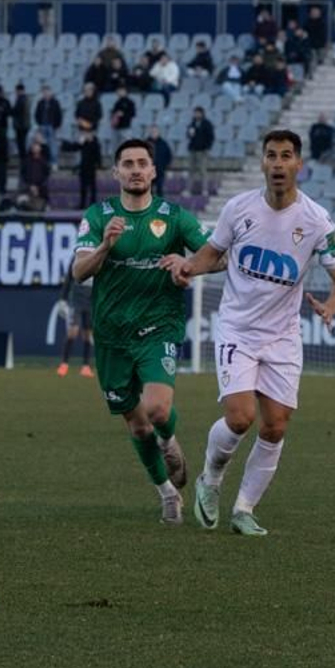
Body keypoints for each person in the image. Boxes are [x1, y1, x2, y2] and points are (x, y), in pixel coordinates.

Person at [174, 130, 335, 536]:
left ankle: (244, 509)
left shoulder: (316, 220)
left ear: (298, 164)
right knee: (240, 418)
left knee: (275, 426)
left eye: (286, 156)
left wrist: (331, 306)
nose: (277, 163)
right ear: (262, 163)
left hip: (283, 336)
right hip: (237, 328)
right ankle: (210, 480)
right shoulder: (239, 208)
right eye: (271, 155)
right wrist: (187, 267)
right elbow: (212, 254)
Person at [74, 138, 210, 525]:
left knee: (157, 409)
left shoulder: (174, 217)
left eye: (142, 163)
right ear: (116, 172)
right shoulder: (98, 215)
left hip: (158, 326)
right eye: (128, 164)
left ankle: (168, 440)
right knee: (136, 424)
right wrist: (105, 246)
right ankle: (167, 493)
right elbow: (79, 272)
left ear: (153, 171)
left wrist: (187, 264)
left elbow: (216, 255)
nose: (135, 170)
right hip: (111, 334)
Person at [56, 269, 94, 378]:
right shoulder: (76, 259)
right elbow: (68, 279)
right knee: (73, 331)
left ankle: (86, 366)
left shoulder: (97, 261)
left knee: (87, 335)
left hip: (90, 301)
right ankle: (64, 364)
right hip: (77, 300)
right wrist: (63, 299)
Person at [186, 107, 215, 194]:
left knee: (203, 171)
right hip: (193, 150)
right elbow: (188, 135)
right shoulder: (192, 124)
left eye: (198, 113)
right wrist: (189, 134)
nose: (197, 115)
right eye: (195, 113)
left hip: (202, 151)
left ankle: (204, 189)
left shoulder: (207, 124)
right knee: (191, 171)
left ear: (202, 114)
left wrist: (207, 147)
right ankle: (188, 189)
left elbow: (211, 137)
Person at [73, 128, 102, 209]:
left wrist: (99, 165)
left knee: (92, 187)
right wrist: (80, 143)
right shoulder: (83, 143)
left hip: (91, 167)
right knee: (83, 187)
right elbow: (75, 148)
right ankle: (82, 204)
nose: (86, 135)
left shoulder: (95, 143)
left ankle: (93, 203)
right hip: (83, 167)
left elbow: (98, 155)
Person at [34, 86, 63, 157]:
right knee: (42, 142)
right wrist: (39, 123)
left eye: (47, 92)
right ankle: (44, 158)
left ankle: (53, 160)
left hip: (52, 126)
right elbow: (37, 114)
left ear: (50, 93)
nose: (45, 94)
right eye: (44, 93)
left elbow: (59, 114)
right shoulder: (40, 103)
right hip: (43, 125)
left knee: (52, 143)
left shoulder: (55, 102)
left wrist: (57, 125)